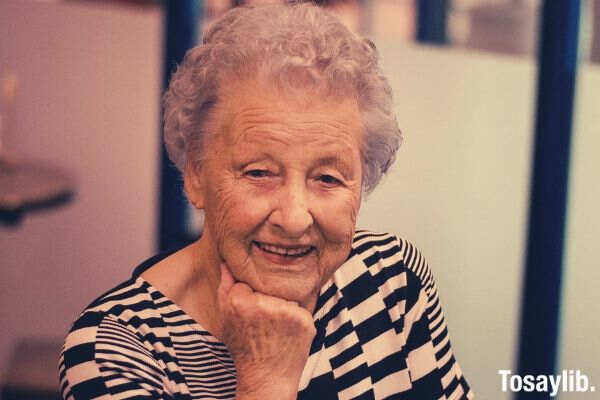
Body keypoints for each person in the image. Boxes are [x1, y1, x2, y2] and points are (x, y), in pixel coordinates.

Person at [58, 3, 473, 399]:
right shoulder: (117, 351)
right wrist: (267, 381)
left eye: (327, 178)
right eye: (259, 172)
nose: (294, 218)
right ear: (195, 174)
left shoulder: (389, 279)